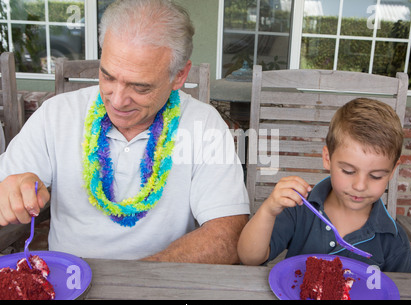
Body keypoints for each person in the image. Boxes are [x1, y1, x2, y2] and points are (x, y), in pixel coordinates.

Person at [0, 0, 249, 263]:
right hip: (66, 282)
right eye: (107, 77)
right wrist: (11, 193)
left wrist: (134, 282)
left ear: (179, 75)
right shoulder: (56, 114)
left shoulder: (204, 124)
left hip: (159, 284)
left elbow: (227, 235)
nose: (117, 101)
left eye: (140, 88)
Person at [238, 98, 411, 272]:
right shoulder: (300, 208)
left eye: (376, 176)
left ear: (392, 171)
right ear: (327, 159)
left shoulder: (394, 241)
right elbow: (250, 258)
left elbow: (400, 292)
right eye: (348, 171)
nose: (360, 186)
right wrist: (268, 210)